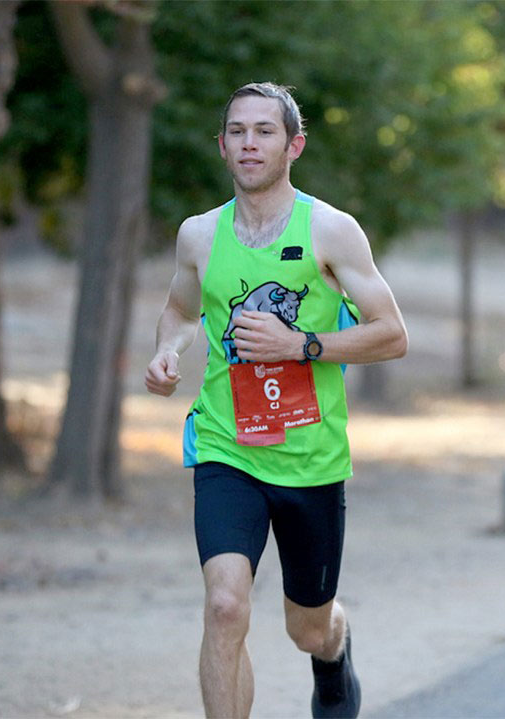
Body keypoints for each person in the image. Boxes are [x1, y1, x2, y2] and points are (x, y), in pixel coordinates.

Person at [144, 82, 407, 719]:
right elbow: (180, 310)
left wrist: (300, 345)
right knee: (225, 605)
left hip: (310, 458)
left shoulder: (331, 231)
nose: (249, 143)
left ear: (295, 145)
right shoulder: (200, 236)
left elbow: (392, 335)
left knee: (306, 627)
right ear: (222, 146)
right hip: (226, 446)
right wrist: (168, 351)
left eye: (265, 131)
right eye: (237, 131)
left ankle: (333, 655)